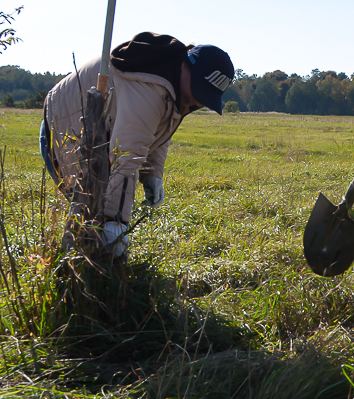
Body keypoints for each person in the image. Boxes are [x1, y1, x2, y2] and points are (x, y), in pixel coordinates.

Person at [40, 32, 234, 256]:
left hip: (75, 124)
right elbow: (126, 158)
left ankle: (85, 265)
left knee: (93, 223)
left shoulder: (169, 78)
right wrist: (115, 222)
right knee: (91, 219)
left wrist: (153, 173)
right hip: (61, 124)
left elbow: (156, 128)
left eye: (206, 96)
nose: (198, 101)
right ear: (186, 67)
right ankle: (77, 274)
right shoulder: (149, 86)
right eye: (199, 90)